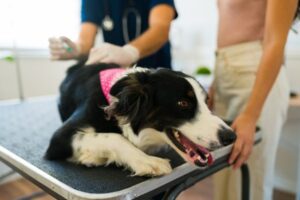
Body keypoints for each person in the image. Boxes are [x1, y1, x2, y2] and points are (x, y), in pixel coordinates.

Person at [209, 1, 299, 200]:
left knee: (247, 185)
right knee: (223, 185)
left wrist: (251, 115)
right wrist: (216, 83)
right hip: (225, 74)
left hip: (256, 77)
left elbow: (275, 42)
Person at [49, 0, 177, 69]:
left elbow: (161, 30)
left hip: (157, 73)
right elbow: (85, 42)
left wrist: (130, 52)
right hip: (119, 77)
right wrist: (75, 49)